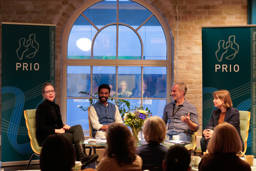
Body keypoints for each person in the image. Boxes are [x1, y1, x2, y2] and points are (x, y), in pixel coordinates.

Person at [36, 82, 98, 169]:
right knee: (71, 136)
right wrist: (56, 130)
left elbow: (59, 123)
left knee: (78, 128)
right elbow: (41, 128)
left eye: (52, 91)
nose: (50, 93)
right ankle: (82, 158)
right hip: (47, 137)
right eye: (48, 91)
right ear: (44, 94)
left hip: (58, 133)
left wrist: (64, 126)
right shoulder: (41, 107)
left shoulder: (56, 106)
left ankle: (82, 156)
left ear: (54, 93)